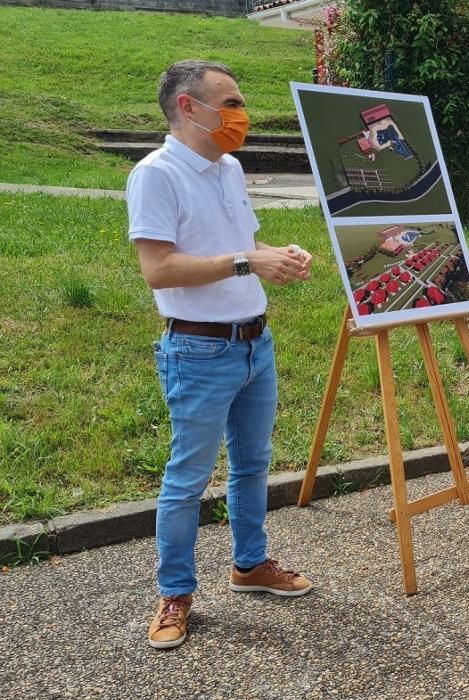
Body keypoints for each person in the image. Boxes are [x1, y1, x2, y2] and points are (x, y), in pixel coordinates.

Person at [127, 60, 315, 650]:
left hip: (255, 341)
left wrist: (275, 255)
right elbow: (158, 269)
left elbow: (242, 244)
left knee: (253, 464)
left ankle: (250, 564)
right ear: (188, 107)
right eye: (230, 103)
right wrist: (245, 261)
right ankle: (175, 594)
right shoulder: (155, 175)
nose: (241, 115)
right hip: (198, 348)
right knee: (188, 479)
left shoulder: (228, 167)